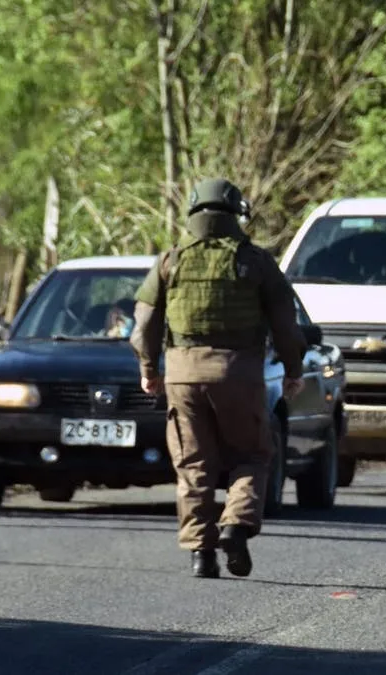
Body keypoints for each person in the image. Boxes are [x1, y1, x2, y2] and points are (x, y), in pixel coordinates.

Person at [130, 178, 307, 579]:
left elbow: (142, 327)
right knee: (252, 455)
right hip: (239, 374)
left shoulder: (170, 261)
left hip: (182, 375)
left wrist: (148, 371)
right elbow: (287, 326)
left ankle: (201, 555)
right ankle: (235, 525)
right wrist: (294, 371)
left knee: (193, 464)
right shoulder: (256, 261)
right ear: (235, 213)